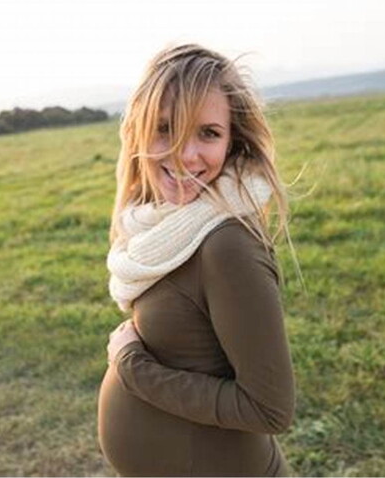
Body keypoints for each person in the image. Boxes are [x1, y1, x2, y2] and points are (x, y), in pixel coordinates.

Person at [97, 42, 298, 477]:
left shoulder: (227, 244)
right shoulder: (165, 228)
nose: (186, 156)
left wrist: (132, 366)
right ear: (138, 132)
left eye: (207, 133)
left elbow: (269, 409)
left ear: (232, 142)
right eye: (166, 128)